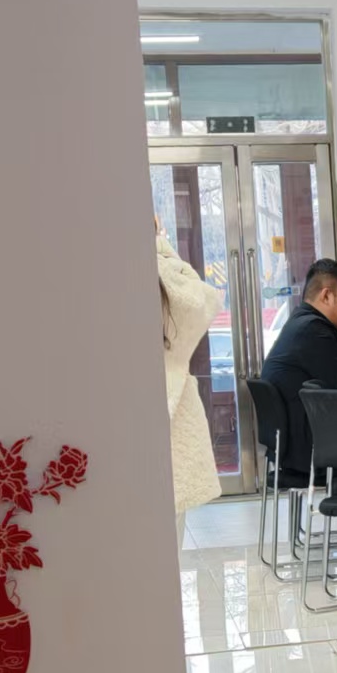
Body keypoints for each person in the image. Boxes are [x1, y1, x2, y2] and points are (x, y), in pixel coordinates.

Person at [157, 225, 223, 552]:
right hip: (169, 403)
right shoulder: (172, 277)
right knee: (169, 531)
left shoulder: (159, 279)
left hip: (156, 406)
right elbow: (200, 297)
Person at [260, 259, 337, 477]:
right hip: (312, 452)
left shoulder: (300, 323)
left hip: (291, 448)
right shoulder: (315, 331)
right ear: (326, 296)